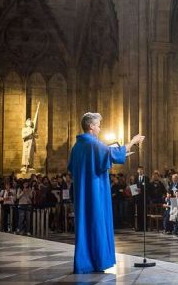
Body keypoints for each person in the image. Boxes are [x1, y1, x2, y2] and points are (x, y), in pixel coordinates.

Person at [68, 112, 144, 274]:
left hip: (82, 193)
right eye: (98, 125)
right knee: (97, 223)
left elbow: (75, 167)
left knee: (85, 224)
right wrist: (132, 142)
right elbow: (112, 154)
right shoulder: (93, 144)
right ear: (91, 127)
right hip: (96, 192)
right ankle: (97, 261)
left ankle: (85, 262)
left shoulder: (76, 147)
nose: (100, 128)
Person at [133, 165, 149, 231]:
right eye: (139, 169)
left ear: (143, 170)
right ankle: (139, 227)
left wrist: (141, 190)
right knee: (138, 213)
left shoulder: (146, 178)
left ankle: (145, 227)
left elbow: (147, 187)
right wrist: (137, 191)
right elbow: (133, 187)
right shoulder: (136, 178)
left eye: (141, 169)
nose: (140, 171)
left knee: (144, 212)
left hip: (144, 198)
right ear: (137, 171)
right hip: (138, 198)